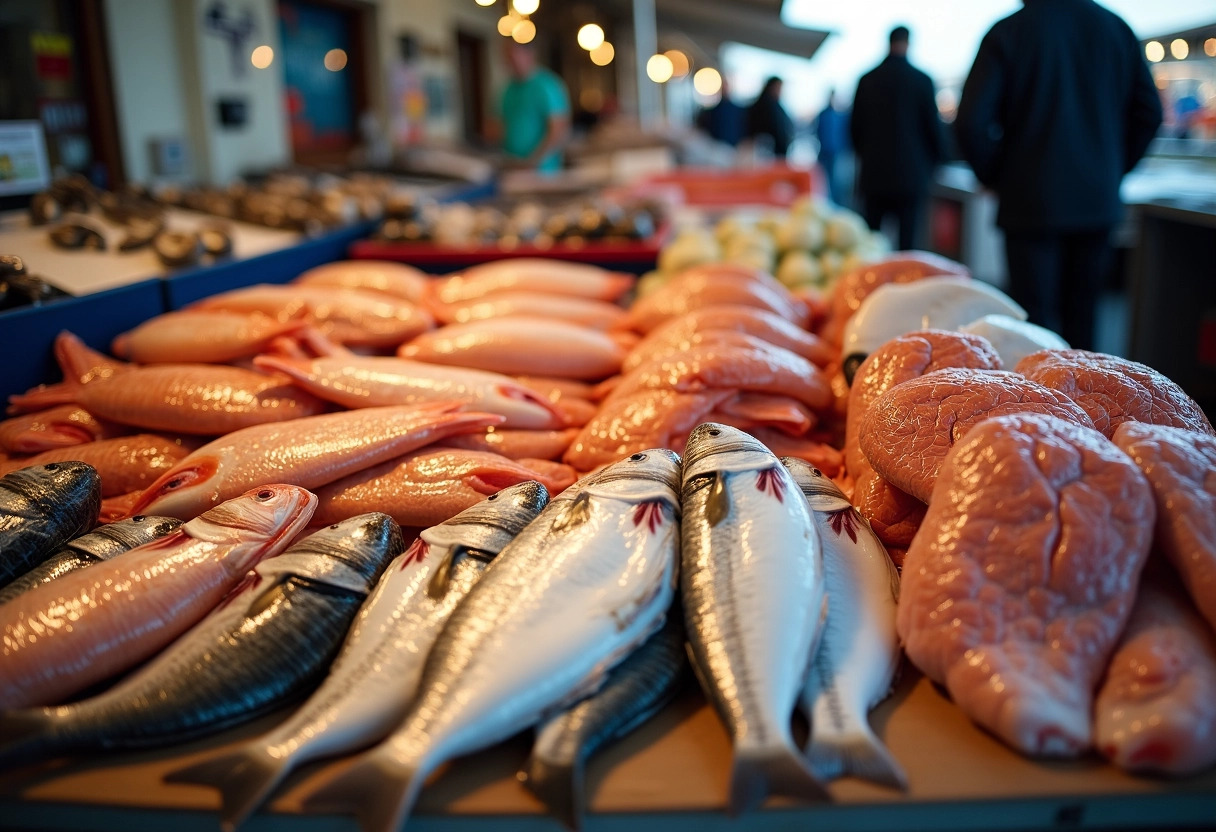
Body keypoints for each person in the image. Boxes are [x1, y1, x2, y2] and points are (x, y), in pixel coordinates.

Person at [955, 0, 1163, 351]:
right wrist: (1111, 169)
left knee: (1032, 322)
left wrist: (995, 176)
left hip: (1030, 199)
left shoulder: (1010, 31)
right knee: (1085, 315)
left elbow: (971, 123)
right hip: (1096, 201)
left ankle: (1037, 405)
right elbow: (1150, 113)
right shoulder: (1115, 28)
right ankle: (1085, 401)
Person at [850, 26, 946, 251]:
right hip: (911, 177)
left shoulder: (867, 80)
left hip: (874, 174)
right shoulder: (922, 80)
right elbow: (934, 129)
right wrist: (936, 162)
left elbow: (855, 129)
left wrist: (867, 156)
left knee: (870, 245)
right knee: (908, 245)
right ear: (908, 42)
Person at [497, 39, 570, 173]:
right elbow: (502, 127)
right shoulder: (508, 89)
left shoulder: (547, 85)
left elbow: (558, 130)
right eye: (506, 56)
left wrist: (533, 162)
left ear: (529, 54)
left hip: (543, 171)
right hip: (513, 167)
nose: (508, 61)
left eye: (512, 55)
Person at [814, 89, 849, 205]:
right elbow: (818, 131)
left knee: (835, 179)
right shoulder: (824, 114)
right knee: (822, 178)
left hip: (836, 151)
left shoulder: (840, 114)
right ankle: (824, 202)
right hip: (824, 150)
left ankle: (834, 204)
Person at [747, 77, 795, 159]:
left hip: (774, 151)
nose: (780, 91)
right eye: (778, 87)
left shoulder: (776, 105)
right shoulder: (767, 106)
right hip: (767, 151)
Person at [697, 78, 746, 147]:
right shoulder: (714, 110)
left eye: (725, 86)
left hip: (732, 145)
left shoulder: (737, 109)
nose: (724, 89)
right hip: (718, 145)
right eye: (723, 87)